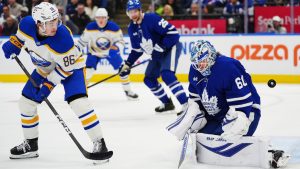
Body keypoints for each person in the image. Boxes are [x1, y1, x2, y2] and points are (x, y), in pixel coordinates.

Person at [2, 2, 111, 160]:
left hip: (72, 68)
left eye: (56, 21)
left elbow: (66, 69)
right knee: (26, 103)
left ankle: (99, 143)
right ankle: (31, 144)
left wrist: (47, 86)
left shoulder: (62, 37)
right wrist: (13, 45)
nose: (55, 26)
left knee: (79, 103)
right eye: (50, 23)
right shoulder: (26, 24)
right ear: (38, 23)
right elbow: (19, 39)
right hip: (44, 67)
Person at [167, 40, 290, 168]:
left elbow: (244, 103)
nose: (199, 66)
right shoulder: (194, 70)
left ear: (211, 56)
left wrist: (239, 121)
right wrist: (193, 116)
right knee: (203, 139)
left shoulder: (228, 67)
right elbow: (196, 100)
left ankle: (269, 152)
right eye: (196, 62)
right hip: (218, 116)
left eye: (202, 61)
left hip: (246, 111)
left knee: (229, 139)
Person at [120, 0, 188, 113]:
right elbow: (137, 50)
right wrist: (127, 64)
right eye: (130, 12)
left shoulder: (152, 18)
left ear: (140, 10)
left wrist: (161, 47)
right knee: (149, 79)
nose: (133, 15)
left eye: (135, 11)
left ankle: (186, 104)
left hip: (171, 47)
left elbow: (173, 34)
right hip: (157, 53)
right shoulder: (132, 28)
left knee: (166, 74)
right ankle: (167, 104)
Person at [77, 8, 139, 100]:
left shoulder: (114, 27)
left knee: (123, 70)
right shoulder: (90, 27)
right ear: (95, 18)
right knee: (88, 72)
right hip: (94, 52)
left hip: (110, 52)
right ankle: (80, 93)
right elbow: (82, 42)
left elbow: (121, 42)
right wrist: (75, 52)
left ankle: (128, 91)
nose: (101, 20)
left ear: (107, 18)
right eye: (98, 18)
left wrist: (117, 47)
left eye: (103, 18)